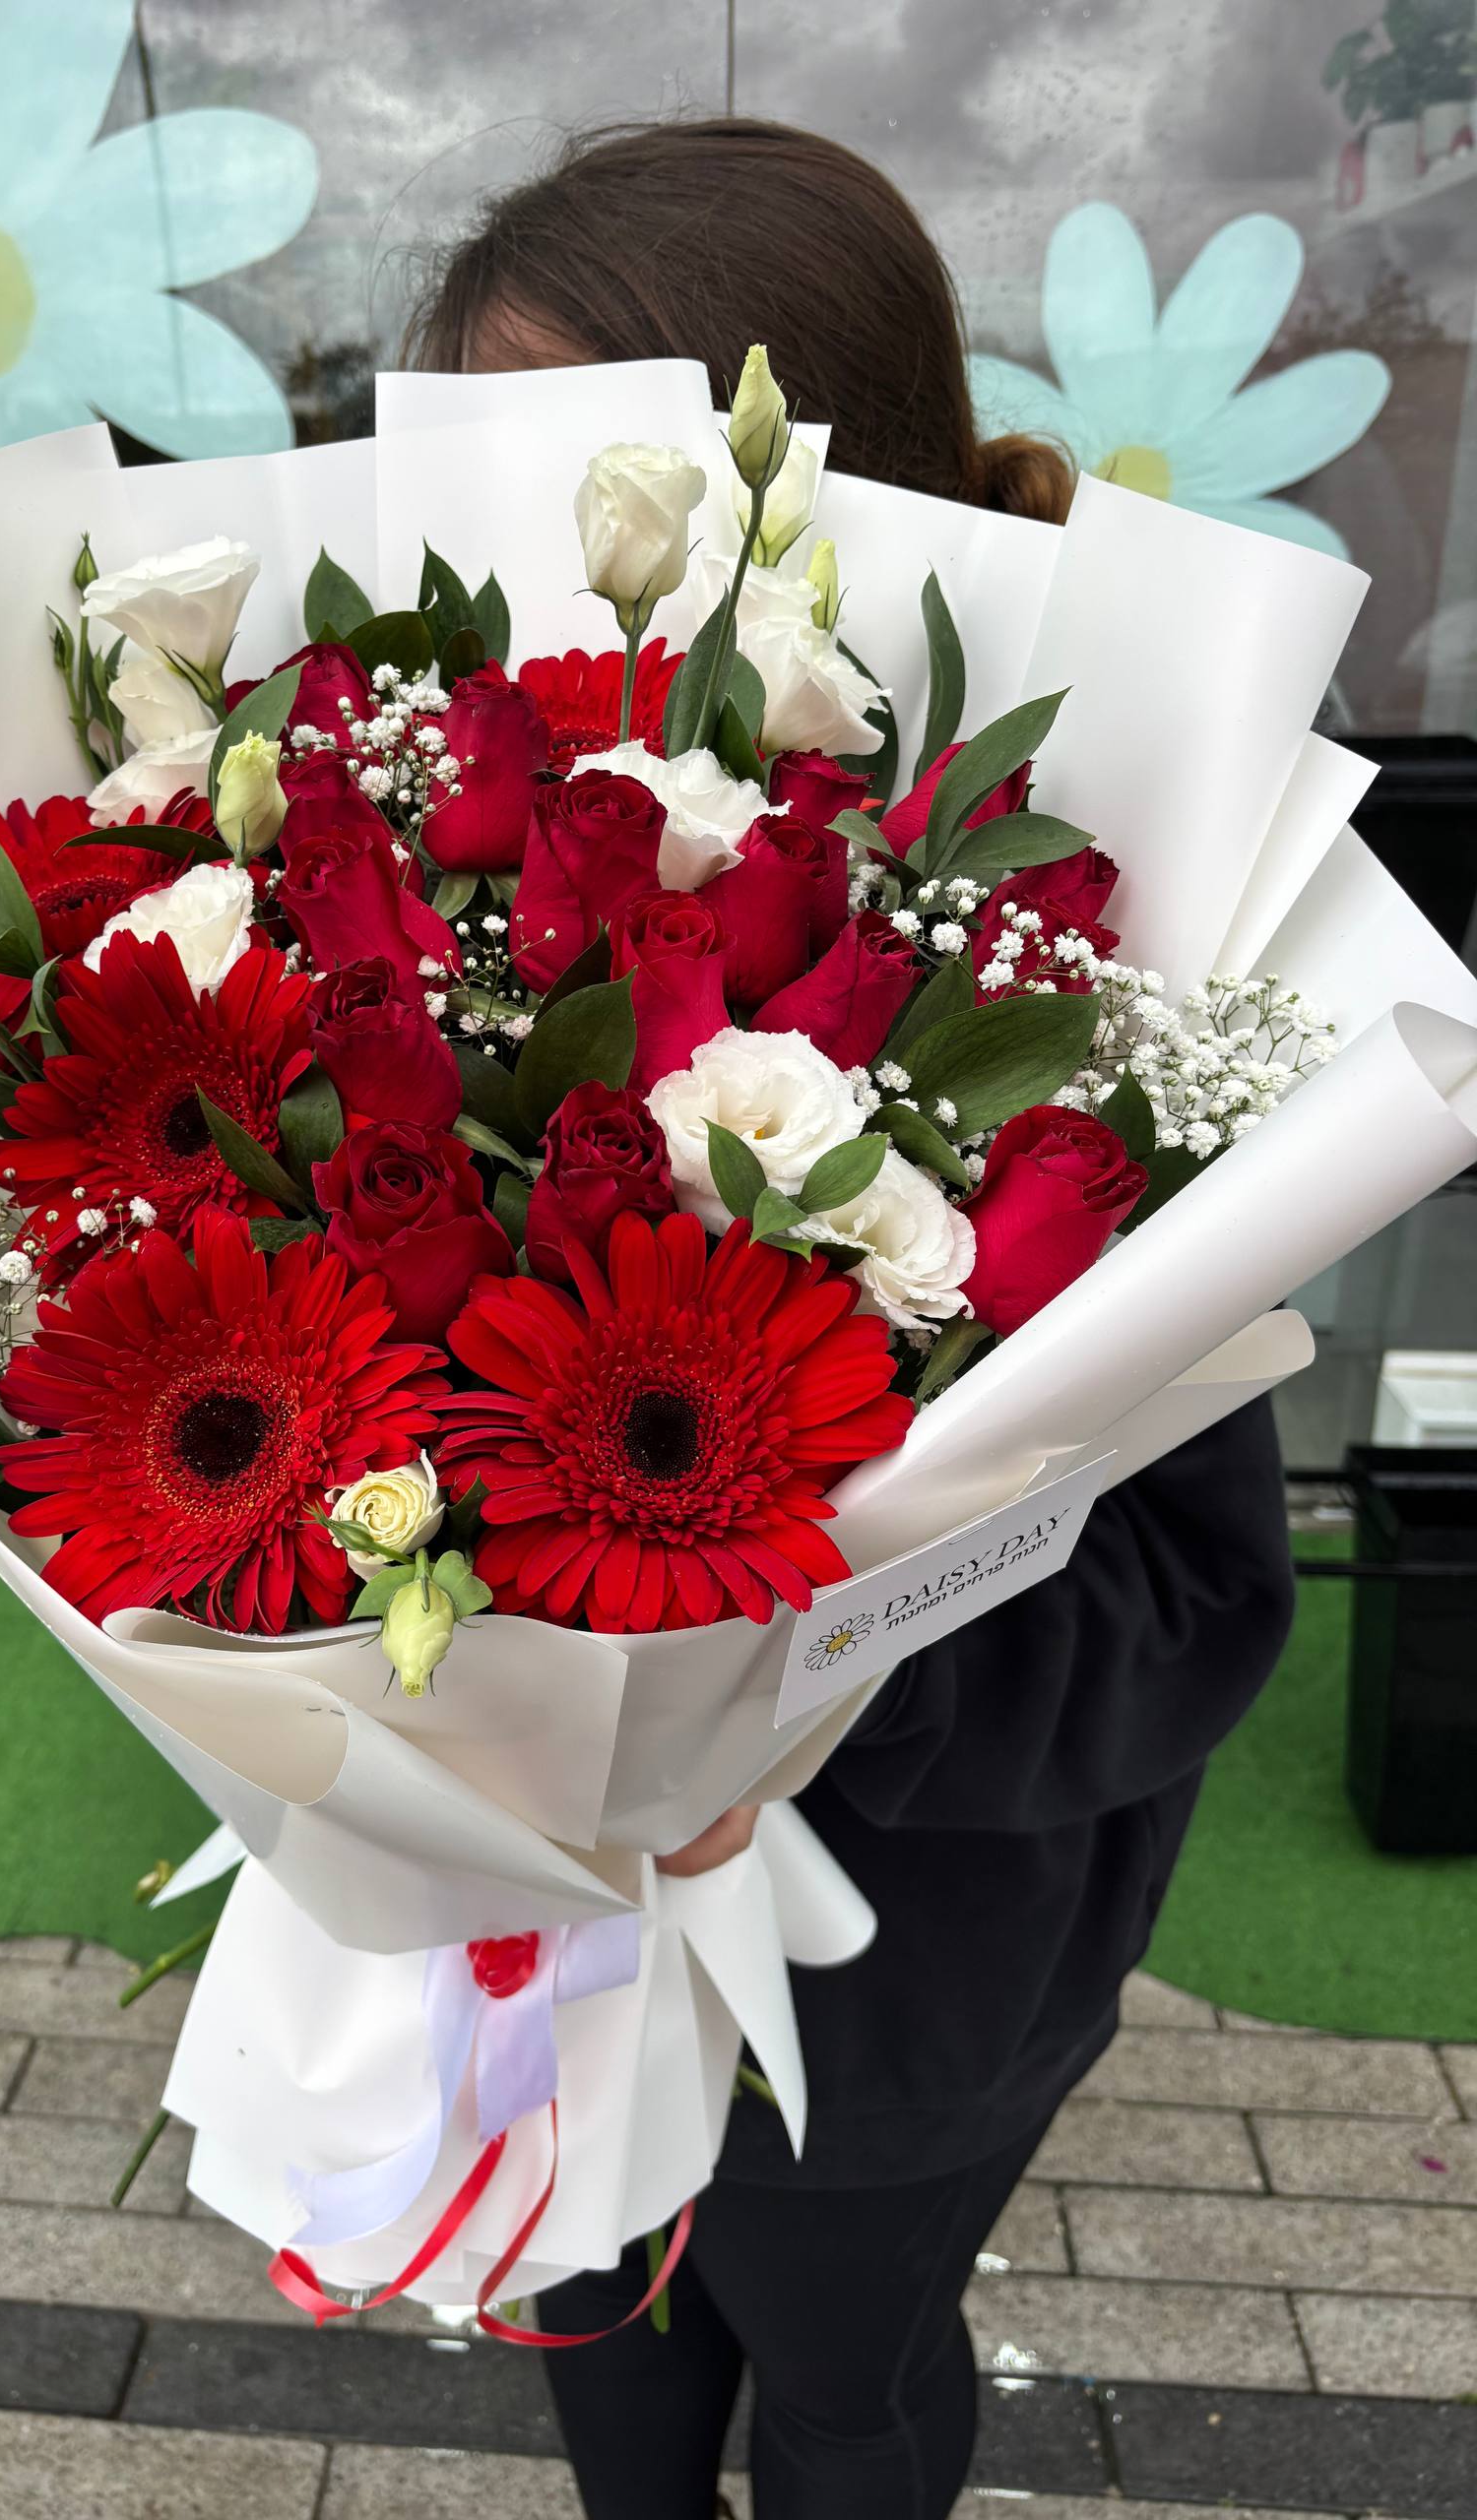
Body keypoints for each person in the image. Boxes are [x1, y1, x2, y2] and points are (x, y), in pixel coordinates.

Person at [410, 118, 1298, 2520]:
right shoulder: (405, 888)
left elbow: (1199, 1604)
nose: (583, 539)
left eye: (638, 455)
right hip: (542, 1947)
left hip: (897, 1986)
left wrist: (809, 1683)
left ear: (841, 464)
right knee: (595, 2353)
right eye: (509, 461)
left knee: (842, 2396)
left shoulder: (1101, 898)